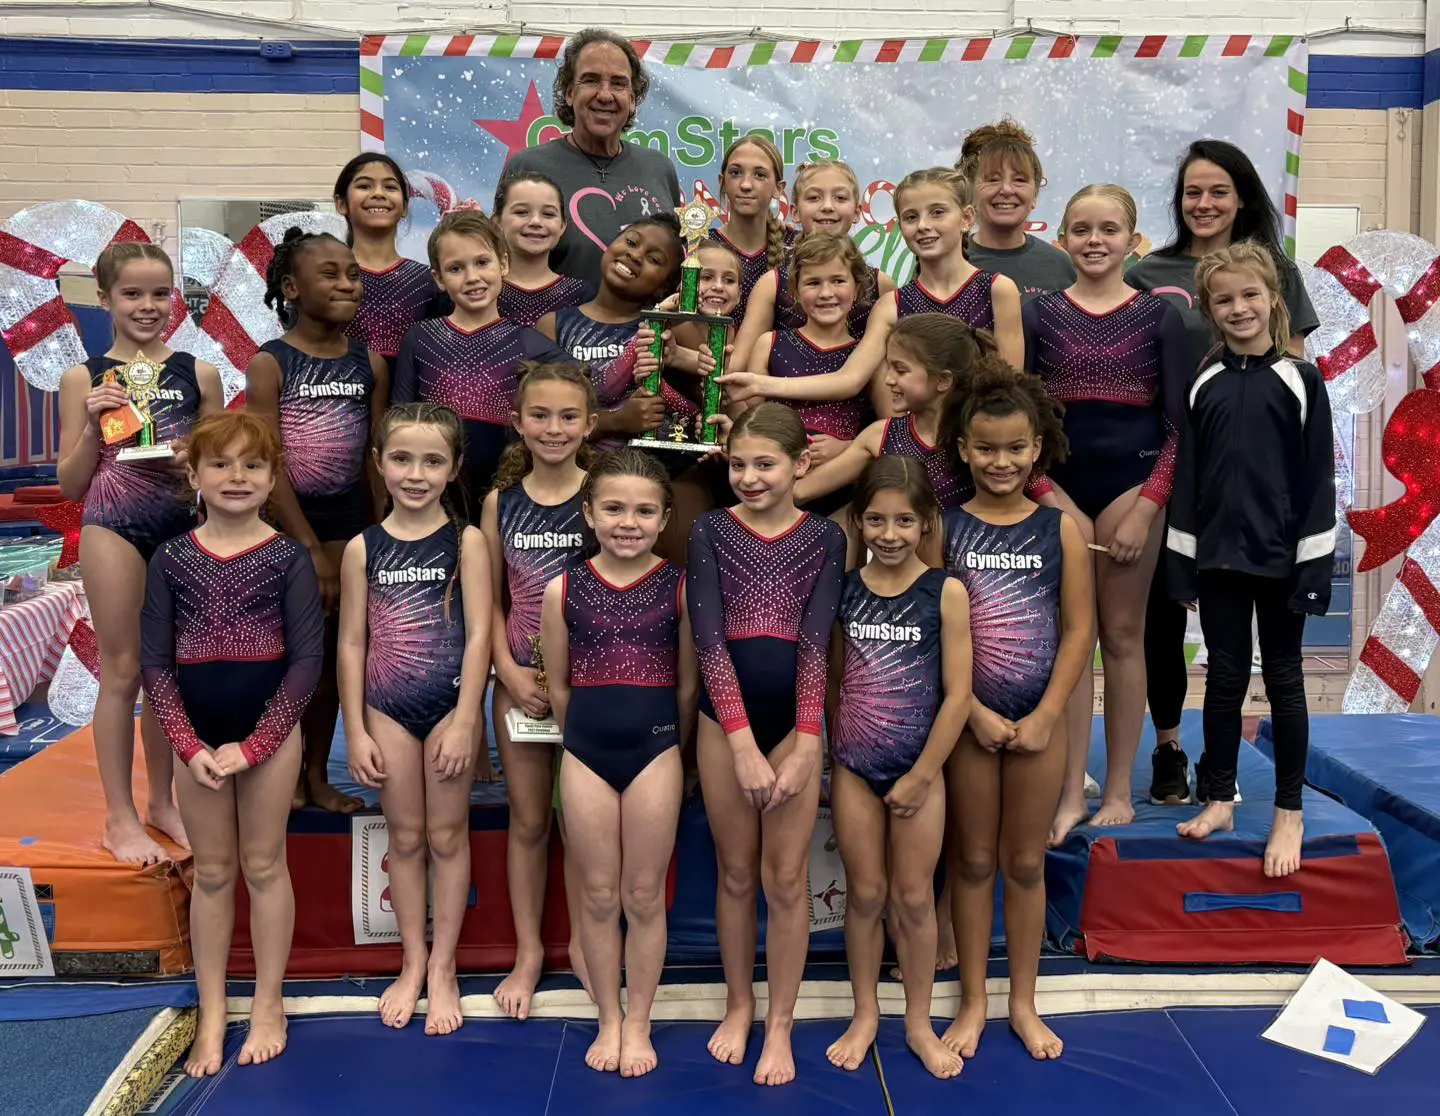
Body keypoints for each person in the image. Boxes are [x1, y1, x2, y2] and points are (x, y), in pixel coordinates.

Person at [1127, 139, 1320, 807]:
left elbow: (1289, 404)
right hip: (1165, 472)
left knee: (1260, 659)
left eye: (1217, 191)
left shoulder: (1281, 278)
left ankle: (1245, 783)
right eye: (1191, 192)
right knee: (1168, 622)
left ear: (1242, 197)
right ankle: (1171, 750)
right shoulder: (1146, 271)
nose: (1203, 203)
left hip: (1256, 500)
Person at [140, 411, 324, 1076]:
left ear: (273, 477)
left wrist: (257, 744)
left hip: (268, 735)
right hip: (197, 736)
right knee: (213, 873)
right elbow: (155, 665)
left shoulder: (287, 557)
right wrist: (188, 746)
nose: (237, 476)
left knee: (264, 863)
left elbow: (307, 663)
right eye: (221, 464)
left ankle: (269, 1001)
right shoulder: (172, 558)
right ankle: (215, 1008)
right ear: (193, 474)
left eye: (252, 465)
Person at [687, 403, 847, 1086]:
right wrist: (743, 744)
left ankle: (781, 1021)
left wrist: (807, 740)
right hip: (725, 725)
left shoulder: (826, 539)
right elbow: (709, 641)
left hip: (793, 722)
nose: (750, 477)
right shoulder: (709, 530)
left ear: (800, 464)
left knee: (786, 880)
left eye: (766, 464)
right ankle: (740, 1002)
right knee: (735, 873)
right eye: (740, 463)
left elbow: (816, 643)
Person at [1167, 242, 1335, 878]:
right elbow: (1187, 481)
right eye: (1225, 299)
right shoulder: (1205, 382)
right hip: (1218, 561)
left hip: (1284, 558)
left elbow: (1320, 479)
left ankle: (1288, 810)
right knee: (1225, 679)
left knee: (1285, 679)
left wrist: (1313, 565)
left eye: (1250, 296)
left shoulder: (1301, 379)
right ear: (1211, 310)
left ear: (1274, 302)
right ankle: (1219, 798)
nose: (1239, 308)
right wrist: (1183, 562)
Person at [1025, 185, 1186, 842]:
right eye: (1082, 229)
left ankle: (1118, 785)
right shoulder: (1040, 315)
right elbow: (1022, 415)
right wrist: (1038, 489)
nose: (1095, 241)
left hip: (1131, 481)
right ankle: (1070, 788)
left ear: (1132, 240)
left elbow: (1179, 426)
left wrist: (1149, 508)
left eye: (1109, 229)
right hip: (1059, 483)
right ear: (1061, 238)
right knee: (1071, 640)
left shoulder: (1160, 317)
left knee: (1122, 637)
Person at [941, 364, 1092, 1062]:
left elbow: (1078, 632)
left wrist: (1047, 715)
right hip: (966, 719)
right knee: (972, 862)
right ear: (964, 449)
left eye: (1014, 449)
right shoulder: (943, 531)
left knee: (1025, 862)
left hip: (1039, 718)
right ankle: (973, 1000)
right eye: (986, 449)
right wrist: (966, 708)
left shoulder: (1059, 530)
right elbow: (930, 633)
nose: (1000, 462)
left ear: (1037, 448)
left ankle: (1022, 1001)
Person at [56, 242, 224, 865]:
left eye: (160, 294)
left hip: (183, 530)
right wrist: (92, 426)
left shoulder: (197, 371)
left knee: (169, 679)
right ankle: (118, 816)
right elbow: (72, 483)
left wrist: (196, 461)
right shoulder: (85, 378)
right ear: (105, 300)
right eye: (132, 294)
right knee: (124, 673)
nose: (148, 306)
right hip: (113, 527)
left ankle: (162, 802)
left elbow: (224, 466)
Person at [540, 449, 697, 1077]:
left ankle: (639, 1018)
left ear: (663, 519)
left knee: (642, 894)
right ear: (589, 513)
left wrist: (673, 752)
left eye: (642, 511)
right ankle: (608, 1015)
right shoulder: (564, 587)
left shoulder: (680, 585)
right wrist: (580, 739)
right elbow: (559, 687)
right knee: (600, 894)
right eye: (612, 509)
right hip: (586, 752)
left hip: (656, 751)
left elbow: (687, 686)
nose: (626, 522)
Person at [338, 403, 493, 1034]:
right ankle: (412, 959)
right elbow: (352, 642)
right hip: (387, 710)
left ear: (454, 468)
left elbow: (481, 633)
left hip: (447, 707)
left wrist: (466, 722)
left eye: (433, 461)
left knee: (448, 836)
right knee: (404, 837)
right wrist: (355, 726)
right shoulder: (361, 547)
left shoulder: (467, 541)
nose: (416, 473)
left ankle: (446, 967)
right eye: (402, 458)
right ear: (379, 464)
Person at [825, 457, 971, 1081]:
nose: (889, 533)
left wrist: (923, 773)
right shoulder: (844, 589)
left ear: (927, 524)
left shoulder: (946, 591)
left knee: (913, 898)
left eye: (904, 521)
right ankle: (864, 1013)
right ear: (858, 522)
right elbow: (833, 681)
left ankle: (916, 1021)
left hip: (921, 768)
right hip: (855, 766)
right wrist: (837, 760)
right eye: (877, 520)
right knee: (864, 894)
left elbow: (958, 695)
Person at [247, 229, 390, 813]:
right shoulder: (270, 362)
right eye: (329, 274)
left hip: (349, 523)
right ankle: (275, 775)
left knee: (335, 659)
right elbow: (268, 459)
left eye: (353, 273)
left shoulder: (369, 362)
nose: (347, 283)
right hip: (288, 527)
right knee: (294, 658)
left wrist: (379, 529)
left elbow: (374, 458)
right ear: (290, 287)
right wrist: (305, 544)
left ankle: (315, 774)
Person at [480, 363, 597, 1020]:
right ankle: (528, 952)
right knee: (528, 821)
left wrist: (581, 683)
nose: (554, 429)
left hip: (592, 685)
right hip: (520, 685)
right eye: (541, 416)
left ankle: (584, 942)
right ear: (518, 423)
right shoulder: (502, 503)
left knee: (581, 826)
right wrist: (508, 672)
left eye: (568, 417)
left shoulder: (603, 494)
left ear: (590, 424)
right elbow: (491, 599)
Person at [722, 167, 1022, 410]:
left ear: (967, 218)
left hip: (982, 441)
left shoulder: (997, 289)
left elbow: (1009, 387)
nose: (923, 226)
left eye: (938, 213)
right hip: (915, 444)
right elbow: (850, 379)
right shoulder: (893, 304)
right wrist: (761, 383)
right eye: (911, 217)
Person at [392, 209, 568, 518]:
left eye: (482, 263)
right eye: (456, 268)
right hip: (435, 494)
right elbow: (398, 422)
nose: (472, 278)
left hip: (506, 489)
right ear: (439, 278)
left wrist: (641, 346)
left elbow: (590, 382)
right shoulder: (421, 338)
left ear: (503, 264)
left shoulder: (527, 341)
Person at [500, 28, 681, 288]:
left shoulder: (659, 168)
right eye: (591, 80)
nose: (605, 94)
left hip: (647, 329)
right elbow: (502, 263)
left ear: (632, 99)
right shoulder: (528, 168)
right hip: (551, 328)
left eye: (618, 83)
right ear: (569, 93)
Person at [791, 314, 995, 519]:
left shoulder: (980, 436)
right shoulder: (881, 435)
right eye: (889, 367)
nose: (888, 380)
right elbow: (799, 492)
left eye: (900, 370)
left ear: (943, 380)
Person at [744, 232, 882, 504]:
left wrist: (849, 448)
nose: (826, 293)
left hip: (843, 490)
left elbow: (888, 429)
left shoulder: (867, 357)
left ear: (857, 287)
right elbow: (752, 423)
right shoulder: (770, 344)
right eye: (813, 283)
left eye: (838, 281)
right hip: (772, 487)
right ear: (795, 290)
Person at [729, 159, 895, 375]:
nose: (827, 206)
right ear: (795, 212)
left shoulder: (881, 285)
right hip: (782, 407)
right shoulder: (772, 284)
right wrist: (678, 354)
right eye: (814, 197)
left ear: (857, 212)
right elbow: (738, 364)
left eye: (840, 198)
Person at [537, 216, 681, 449]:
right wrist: (616, 421)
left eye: (654, 259)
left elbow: (688, 411)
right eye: (632, 243)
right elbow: (539, 413)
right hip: (570, 473)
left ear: (664, 287)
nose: (634, 255)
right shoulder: (553, 325)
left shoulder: (665, 333)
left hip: (642, 474)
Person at [333, 153, 444, 369]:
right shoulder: (326, 280)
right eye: (364, 186)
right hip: (342, 397)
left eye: (390, 187)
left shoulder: (428, 280)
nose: (378, 194)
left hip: (411, 400)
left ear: (404, 207)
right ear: (341, 203)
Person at [956, 118, 1076, 302]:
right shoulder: (949, 262)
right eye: (992, 179)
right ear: (970, 192)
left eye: (1019, 180)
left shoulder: (1059, 265)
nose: (1006, 189)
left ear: (1035, 195)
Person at [493, 171, 593, 327]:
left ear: (562, 226)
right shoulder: (480, 289)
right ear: (496, 222)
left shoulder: (582, 294)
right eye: (521, 212)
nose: (536, 222)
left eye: (548, 214)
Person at [711, 136, 790, 324]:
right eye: (736, 173)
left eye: (760, 175)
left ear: (778, 188)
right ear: (722, 182)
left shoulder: (796, 248)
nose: (746, 185)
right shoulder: (702, 248)